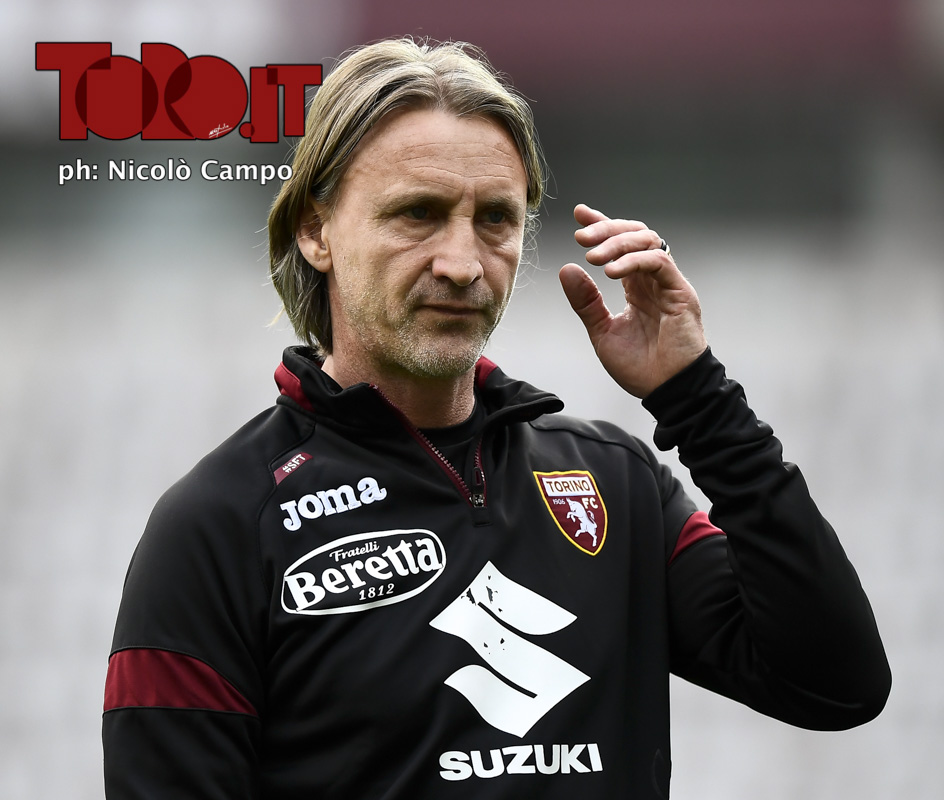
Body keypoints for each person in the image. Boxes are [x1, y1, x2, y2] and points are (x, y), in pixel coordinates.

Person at [102, 38, 890, 798]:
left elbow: (836, 685)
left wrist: (696, 397)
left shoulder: (612, 484)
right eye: (418, 213)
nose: (463, 264)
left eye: (495, 220)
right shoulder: (219, 526)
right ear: (316, 232)